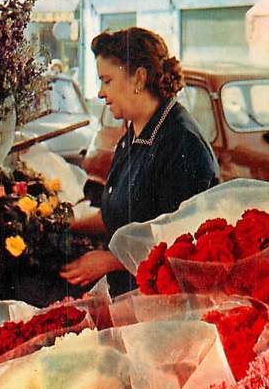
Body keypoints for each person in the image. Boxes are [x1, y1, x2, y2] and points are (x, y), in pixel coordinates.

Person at [60, 27, 219, 296]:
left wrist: (108, 262)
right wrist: (64, 223)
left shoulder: (182, 144)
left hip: (160, 304)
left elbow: (184, 244)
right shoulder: (134, 133)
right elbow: (120, 216)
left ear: (139, 78)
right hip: (127, 292)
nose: (100, 93)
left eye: (107, 81)